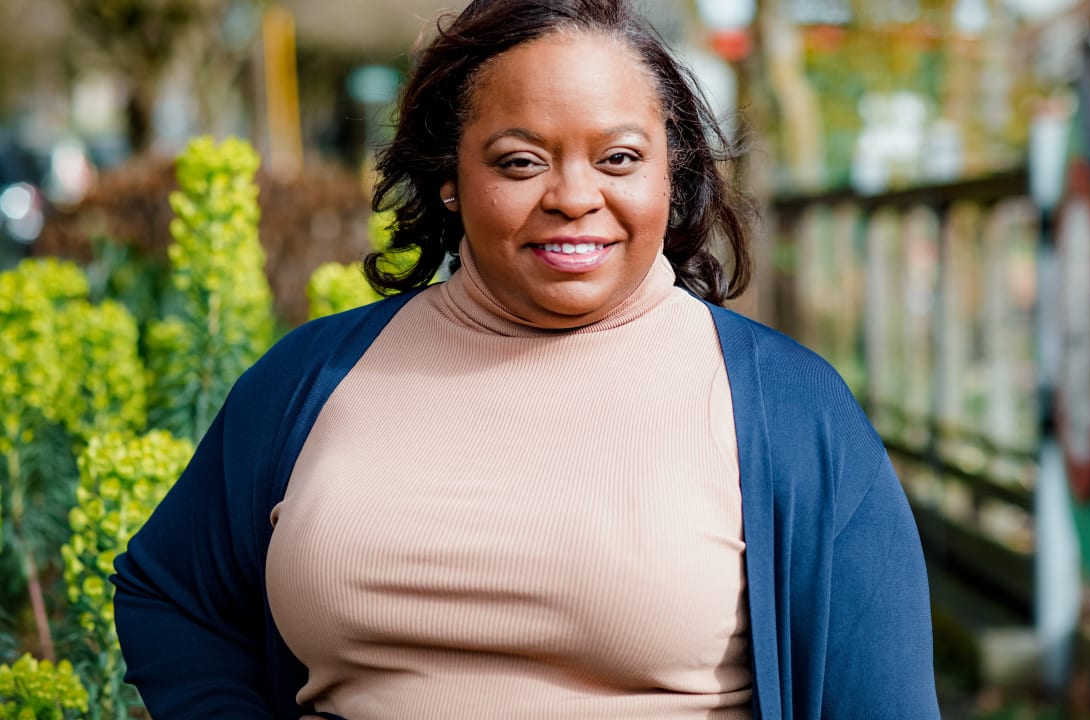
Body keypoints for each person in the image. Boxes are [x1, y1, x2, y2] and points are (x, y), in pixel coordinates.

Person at [112, 0, 940, 717]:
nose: (575, 197)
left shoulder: (793, 416)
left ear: (671, 174)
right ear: (449, 178)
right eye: (520, 161)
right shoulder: (314, 380)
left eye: (619, 158)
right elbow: (169, 593)